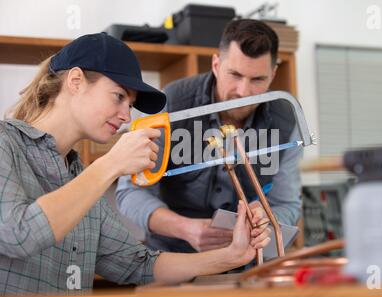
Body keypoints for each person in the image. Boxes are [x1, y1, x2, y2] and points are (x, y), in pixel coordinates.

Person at [0, 33, 270, 295]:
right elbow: (19, 234)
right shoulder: (5, 143)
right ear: (76, 81)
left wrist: (231, 256)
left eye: (130, 104)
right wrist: (110, 165)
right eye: (119, 96)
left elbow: (138, 264)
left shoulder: (79, 177)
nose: (126, 115)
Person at [116, 19, 302, 254]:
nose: (243, 92)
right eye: (234, 74)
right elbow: (130, 192)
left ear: (273, 74)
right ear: (216, 64)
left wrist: (266, 215)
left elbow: (288, 204)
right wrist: (185, 228)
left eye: (257, 80)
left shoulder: (287, 120)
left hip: (245, 262)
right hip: (173, 258)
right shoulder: (171, 104)